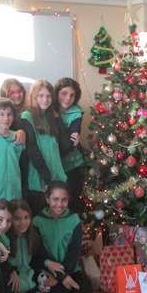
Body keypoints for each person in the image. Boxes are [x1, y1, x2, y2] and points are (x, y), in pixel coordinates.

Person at [31, 181, 93, 293]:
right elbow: (39, 252)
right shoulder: (37, 221)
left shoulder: (74, 220)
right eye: (55, 199)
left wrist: (64, 276)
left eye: (64, 200)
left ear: (68, 200)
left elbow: (74, 252)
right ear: (47, 199)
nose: (59, 204)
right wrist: (61, 277)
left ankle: (61, 289)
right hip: (48, 270)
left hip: (70, 269)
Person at [8, 199, 66, 293]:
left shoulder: (32, 236)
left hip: (31, 285)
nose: (23, 222)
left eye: (26, 217)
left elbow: (38, 258)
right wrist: (10, 270)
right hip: (15, 291)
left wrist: (46, 268)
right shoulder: (5, 240)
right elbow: (1, 265)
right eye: (17, 218)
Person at [21, 80, 72, 215]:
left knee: (57, 219)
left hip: (57, 177)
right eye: (41, 95)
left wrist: (57, 118)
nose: (45, 99)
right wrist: (47, 178)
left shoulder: (51, 117)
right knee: (40, 219)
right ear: (34, 97)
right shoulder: (27, 116)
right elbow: (32, 151)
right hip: (40, 180)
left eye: (48, 96)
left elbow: (65, 146)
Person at [54, 77, 86, 214]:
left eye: (72, 95)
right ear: (56, 93)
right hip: (53, 164)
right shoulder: (48, 108)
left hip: (72, 165)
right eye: (64, 93)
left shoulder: (76, 112)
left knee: (71, 201)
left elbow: (70, 142)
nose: (68, 98)